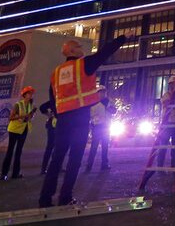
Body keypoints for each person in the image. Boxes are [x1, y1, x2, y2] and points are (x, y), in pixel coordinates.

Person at [38, 34, 130, 207]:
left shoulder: (56, 73)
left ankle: (45, 198)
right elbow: (105, 52)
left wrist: (59, 115)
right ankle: (65, 198)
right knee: (75, 158)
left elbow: (53, 99)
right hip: (80, 117)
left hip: (64, 119)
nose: (82, 49)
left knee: (56, 159)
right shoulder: (84, 64)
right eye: (79, 46)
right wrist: (123, 39)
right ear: (72, 50)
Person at [0, 85, 36, 181]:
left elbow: (29, 118)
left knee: (19, 152)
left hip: (24, 130)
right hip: (14, 130)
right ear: (24, 95)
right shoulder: (18, 105)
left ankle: (15, 173)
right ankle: (4, 174)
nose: (31, 95)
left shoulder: (31, 106)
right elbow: (11, 118)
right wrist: (23, 116)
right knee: (10, 151)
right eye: (29, 93)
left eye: (31, 93)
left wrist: (31, 115)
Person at [86, 85, 116, 172]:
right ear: (97, 93)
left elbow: (114, 111)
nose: (102, 94)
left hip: (106, 126)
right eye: (101, 92)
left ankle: (104, 164)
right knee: (94, 147)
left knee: (105, 146)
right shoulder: (94, 103)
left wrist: (107, 106)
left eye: (104, 92)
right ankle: (89, 165)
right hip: (97, 126)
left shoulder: (109, 101)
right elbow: (90, 115)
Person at [38, 98, 57, 175]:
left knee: (57, 147)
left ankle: (56, 166)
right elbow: (42, 107)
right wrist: (49, 114)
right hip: (52, 126)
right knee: (50, 147)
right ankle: (44, 168)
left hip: (59, 126)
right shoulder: (55, 100)